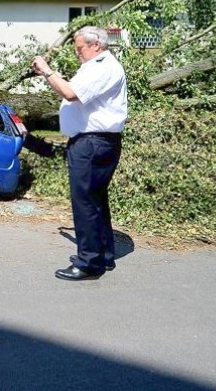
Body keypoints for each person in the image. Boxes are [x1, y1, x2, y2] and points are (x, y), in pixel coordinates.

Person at [32, 26, 127, 281]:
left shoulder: (102, 66)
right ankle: (103, 254)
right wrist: (54, 77)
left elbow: (71, 93)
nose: (77, 53)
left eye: (80, 48)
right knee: (95, 199)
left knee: (84, 201)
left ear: (96, 44)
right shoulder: (98, 65)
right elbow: (74, 89)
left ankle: (89, 263)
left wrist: (47, 71)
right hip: (97, 141)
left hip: (92, 143)